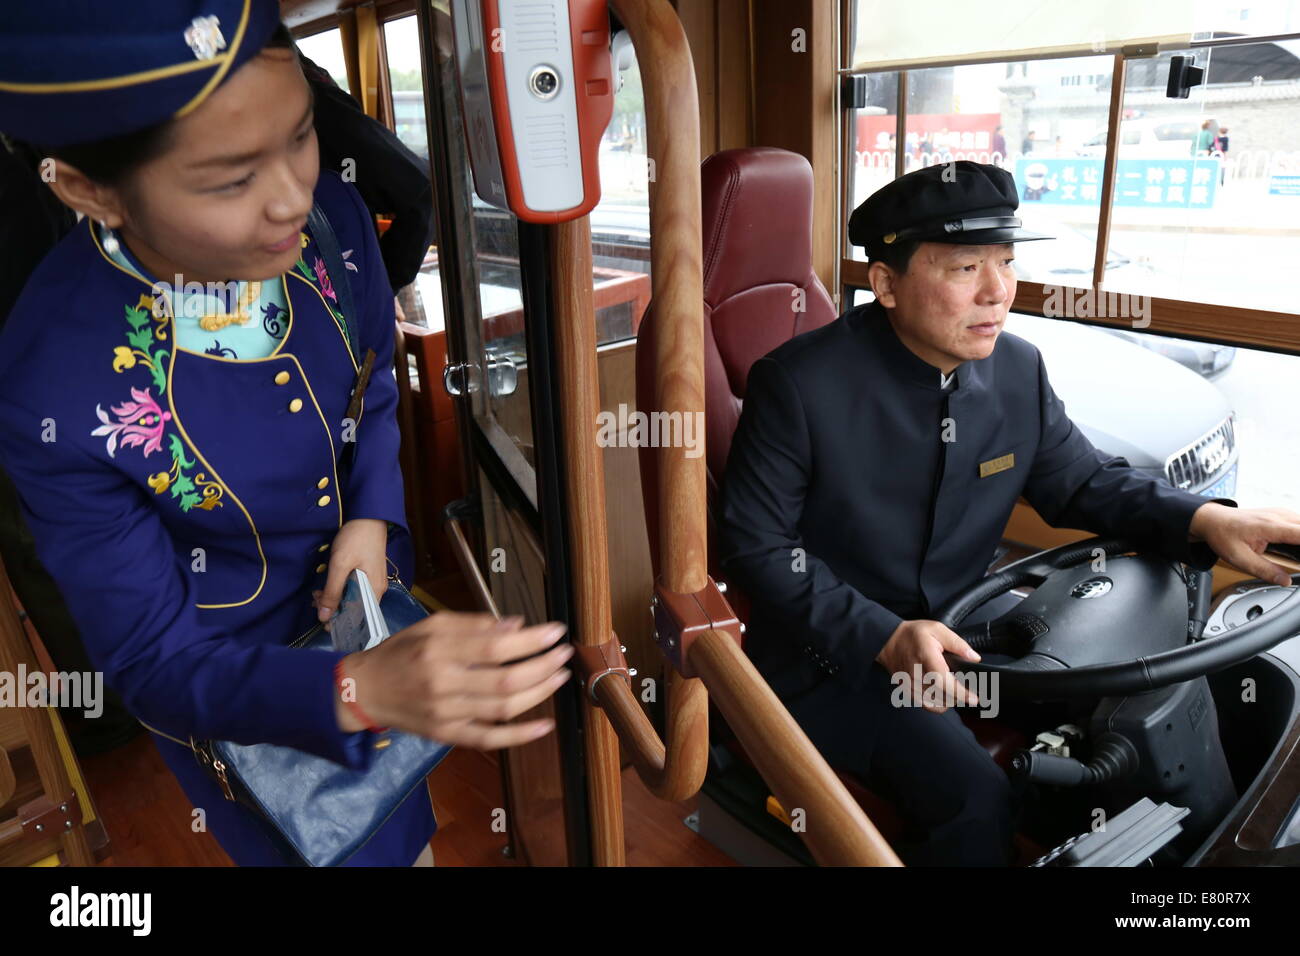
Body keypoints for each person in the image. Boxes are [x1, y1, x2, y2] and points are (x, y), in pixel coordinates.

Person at [0, 1, 573, 867]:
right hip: (238, 692)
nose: (292, 198)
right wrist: (356, 689)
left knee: (405, 827)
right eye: (231, 181)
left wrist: (372, 514)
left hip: (365, 612)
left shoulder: (336, 219)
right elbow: (153, 659)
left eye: (300, 136)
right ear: (88, 190)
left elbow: (371, 380)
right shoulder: (52, 384)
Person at [718, 160, 1300, 866]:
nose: (997, 291)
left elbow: (1084, 481)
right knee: (975, 798)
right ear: (887, 284)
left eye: (1005, 262)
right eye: (966, 268)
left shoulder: (1017, 370)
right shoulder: (800, 385)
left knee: (1131, 709)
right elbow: (757, 548)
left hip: (970, 624)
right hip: (838, 654)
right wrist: (884, 635)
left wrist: (1209, 521)